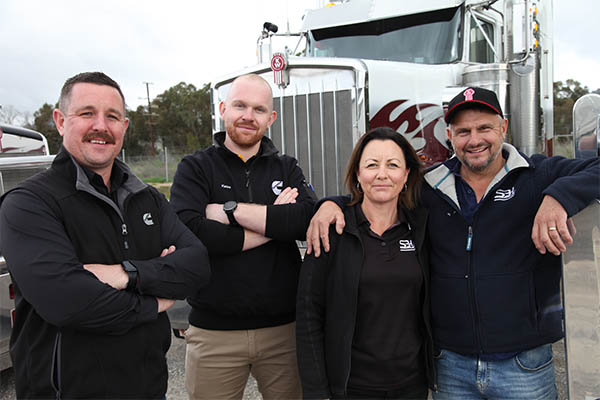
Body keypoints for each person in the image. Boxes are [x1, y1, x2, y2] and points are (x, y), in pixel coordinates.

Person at [305, 87, 600, 399]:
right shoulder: (430, 186)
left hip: (523, 364)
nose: (474, 140)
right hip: (451, 365)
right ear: (449, 135)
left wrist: (559, 197)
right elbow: (381, 192)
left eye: (484, 128)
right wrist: (332, 204)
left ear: (503, 127)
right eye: (463, 132)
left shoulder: (538, 175)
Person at [0, 72, 211, 399]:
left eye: (112, 116)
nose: (101, 125)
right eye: (86, 114)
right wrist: (155, 301)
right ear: (60, 121)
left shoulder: (148, 198)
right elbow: (67, 301)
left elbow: (196, 265)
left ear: (124, 127)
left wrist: (126, 274)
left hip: (147, 387)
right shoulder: (29, 203)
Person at [170, 73, 316, 399]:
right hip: (213, 334)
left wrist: (229, 211)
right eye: (240, 105)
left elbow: (305, 220)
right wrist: (272, 224)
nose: (248, 116)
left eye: (259, 109)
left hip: (284, 332)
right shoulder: (195, 168)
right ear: (223, 109)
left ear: (271, 118)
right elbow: (190, 231)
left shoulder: (287, 168)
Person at [296, 127, 434, 400]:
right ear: (358, 174)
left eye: (393, 165)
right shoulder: (332, 230)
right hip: (351, 388)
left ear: (406, 175)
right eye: (372, 165)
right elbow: (309, 315)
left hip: (411, 386)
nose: (382, 174)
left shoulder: (421, 228)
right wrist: (316, 392)